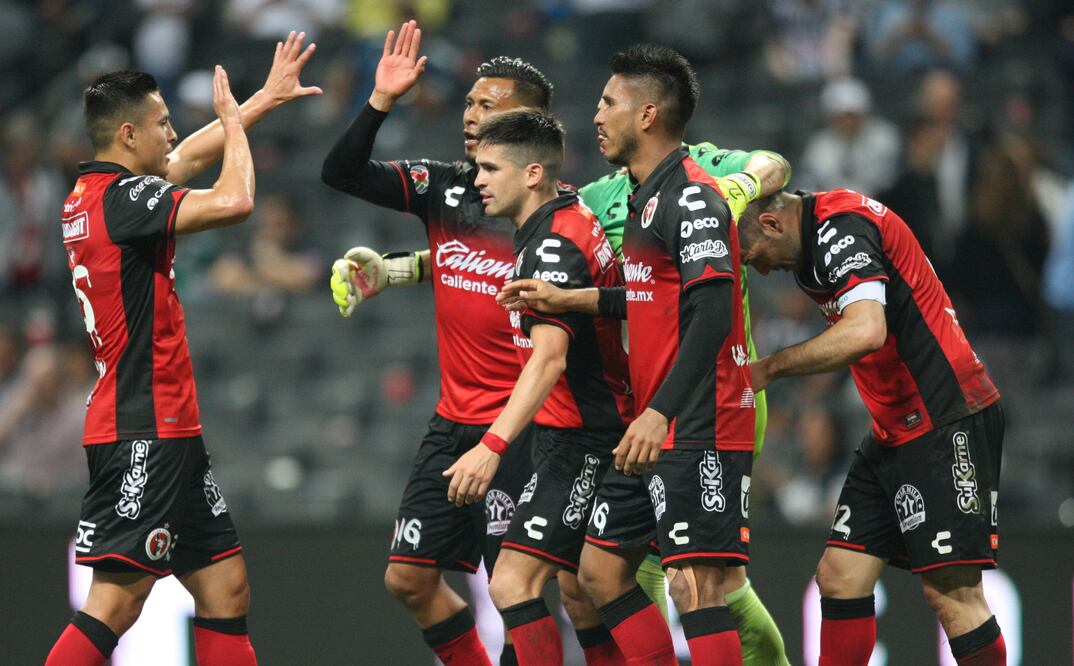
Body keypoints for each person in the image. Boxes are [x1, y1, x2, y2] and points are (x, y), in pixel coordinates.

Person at [45, 32, 320, 666]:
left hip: (167, 426)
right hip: (144, 425)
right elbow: (236, 200)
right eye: (162, 124)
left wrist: (260, 102)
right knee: (115, 602)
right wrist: (235, 123)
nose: (173, 133)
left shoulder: (91, 198)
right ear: (127, 137)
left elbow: (183, 162)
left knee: (225, 587)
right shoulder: (122, 200)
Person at [321, 21, 557, 665]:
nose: (470, 113)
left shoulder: (558, 212)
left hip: (524, 428)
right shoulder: (446, 187)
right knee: (409, 579)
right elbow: (341, 171)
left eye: (488, 104)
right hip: (452, 423)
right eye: (470, 102)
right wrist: (381, 101)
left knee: (517, 592)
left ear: (530, 121)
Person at [738, 188, 1006, 666]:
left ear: (774, 224)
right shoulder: (810, 237)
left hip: (944, 416)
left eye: (753, 255)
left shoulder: (840, 228)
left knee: (953, 593)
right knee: (840, 575)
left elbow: (866, 330)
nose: (758, 269)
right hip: (894, 429)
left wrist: (770, 368)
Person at [444, 109, 632, 665]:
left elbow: (550, 357)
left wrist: (491, 446)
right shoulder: (565, 210)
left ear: (531, 174)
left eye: (489, 168)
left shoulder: (552, 246)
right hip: (575, 429)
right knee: (581, 591)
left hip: (584, 436)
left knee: (512, 584)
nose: (477, 179)